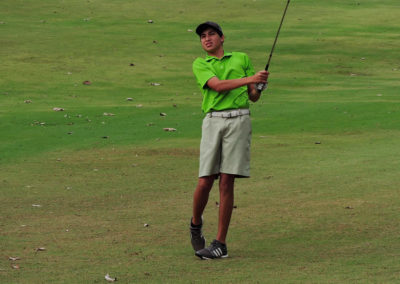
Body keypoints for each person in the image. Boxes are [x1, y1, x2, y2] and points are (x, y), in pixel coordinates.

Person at [190, 21, 269, 259]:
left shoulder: (241, 58)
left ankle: (220, 244)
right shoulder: (201, 63)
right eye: (203, 36)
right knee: (205, 180)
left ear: (222, 38)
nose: (206, 39)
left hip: (239, 120)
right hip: (214, 120)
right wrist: (250, 79)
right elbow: (218, 86)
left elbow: (252, 97)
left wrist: (259, 85)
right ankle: (195, 224)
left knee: (227, 181)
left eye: (211, 34)